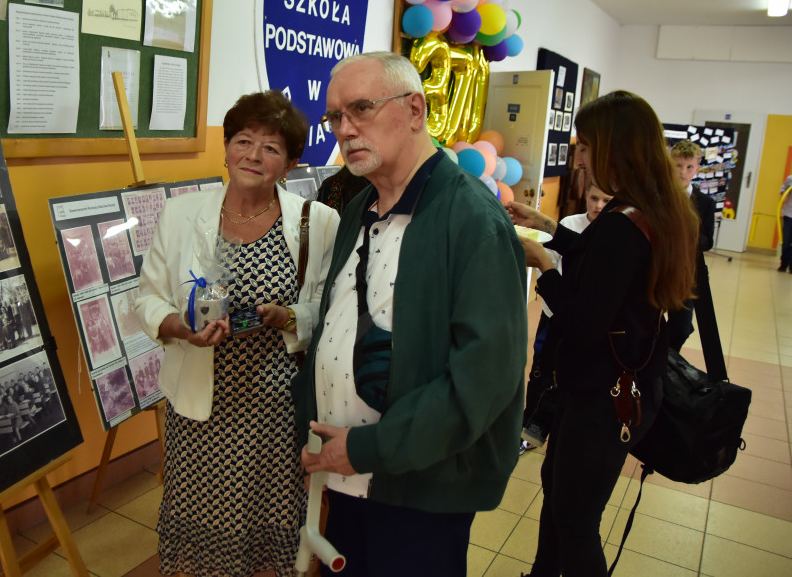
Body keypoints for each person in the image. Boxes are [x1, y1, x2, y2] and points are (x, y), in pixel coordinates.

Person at [291, 51, 528, 575]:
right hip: (347, 473)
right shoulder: (360, 206)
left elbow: (484, 378)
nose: (345, 130)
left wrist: (374, 447)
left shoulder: (470, 219)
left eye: (361, 109)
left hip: (422, 488)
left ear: (416, 111)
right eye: (334, 117)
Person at [136, 89, 340, 577]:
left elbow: (326, 311)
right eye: (243, 141)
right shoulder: (182, 214)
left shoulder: (319, 222)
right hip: (200, 404)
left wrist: (286, 317)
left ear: (290, 163)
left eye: (271, 147)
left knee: (269, 531)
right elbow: (147, 298)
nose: (253, 155)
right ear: (226, 147)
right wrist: (181, 328)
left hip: (274, 407)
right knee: (201, 533)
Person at [506, 90, 698, 576]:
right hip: (620, 386)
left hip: (602, 396)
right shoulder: (649, 210)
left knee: (574, 520)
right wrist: (548, 224)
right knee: (561, 496)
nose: (581, 159)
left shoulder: (625, 223)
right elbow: (606, 264)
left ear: (614, 148)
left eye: (587, 147)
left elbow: (584, 323)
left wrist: (544, 267)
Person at [521, 180, 613, 453]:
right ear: (585, 195)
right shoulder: (570, 224)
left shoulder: (615, 233)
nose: (598, 206)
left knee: (572, 378)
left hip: (583, 321)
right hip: (554, 315)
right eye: (594, 198)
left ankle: (563, 431)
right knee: (541, 372)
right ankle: (531, 428)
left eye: (606, 201)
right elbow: (546, 262)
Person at [668, 140, 716, 351]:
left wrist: (687, 232)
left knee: (681, 326)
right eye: (678, 166)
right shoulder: (656, 197)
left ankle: (669, 360)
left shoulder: (705, 203)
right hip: (654, 267)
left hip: (686, 272)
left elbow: (708, 242)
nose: (683, 172)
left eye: (689, 167)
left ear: (697, 169)